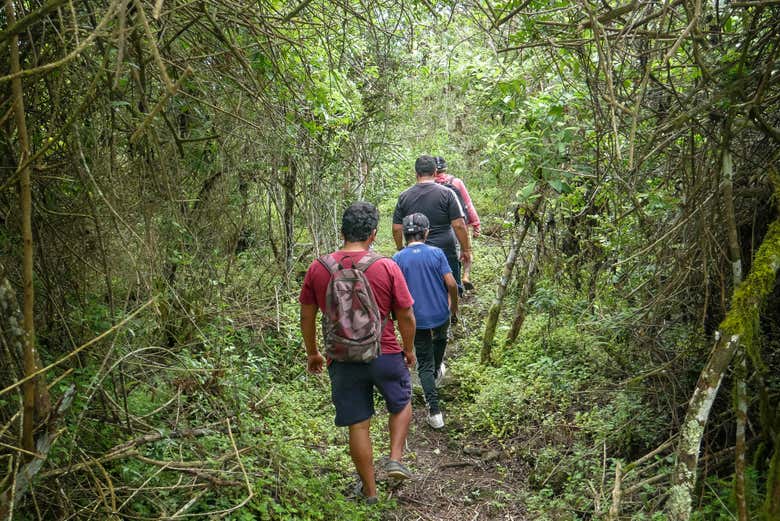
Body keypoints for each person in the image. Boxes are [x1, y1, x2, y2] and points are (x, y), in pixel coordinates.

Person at [299, 201, 417, 505]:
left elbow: (307, 316)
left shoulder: (318, 267)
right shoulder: (386, 266)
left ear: (342, 231)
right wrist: (408, 349)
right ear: (374, 234)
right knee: (402, 402)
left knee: (358, 424)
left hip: (341, 357)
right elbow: (405, 315)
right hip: (385, 352)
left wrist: (313, 353)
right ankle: (394, 459)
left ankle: (370, 492)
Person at [393, 213, 458, 429]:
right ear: (426, 232)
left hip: (414, 319)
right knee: (440, 342)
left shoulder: (398, 259)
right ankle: (435, 401)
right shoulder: (437, 253)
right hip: (440, 313)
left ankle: (434, 411)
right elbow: (451, 284)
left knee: (425, 363)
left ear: (405, 234)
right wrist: (453, 308)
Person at [392, 155, 472, 295]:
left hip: (415, 249)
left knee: (418, 288)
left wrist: (400, 248)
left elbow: (397, 228)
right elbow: (459, 225)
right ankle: (452, 312)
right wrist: (466, 250)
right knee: (451, 285)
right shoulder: (447, 193)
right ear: (435, 172)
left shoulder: (404, 196)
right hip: (445, 248)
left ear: (416, 174)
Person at [434, 156, 481, 290]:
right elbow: (468, 204)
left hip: (440, 228)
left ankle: (444, 283)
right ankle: (465, 276)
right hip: (460, 224)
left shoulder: (429, 184)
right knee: (466, 252)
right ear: (445, 168)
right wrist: (476, 224)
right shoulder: (456, 182)